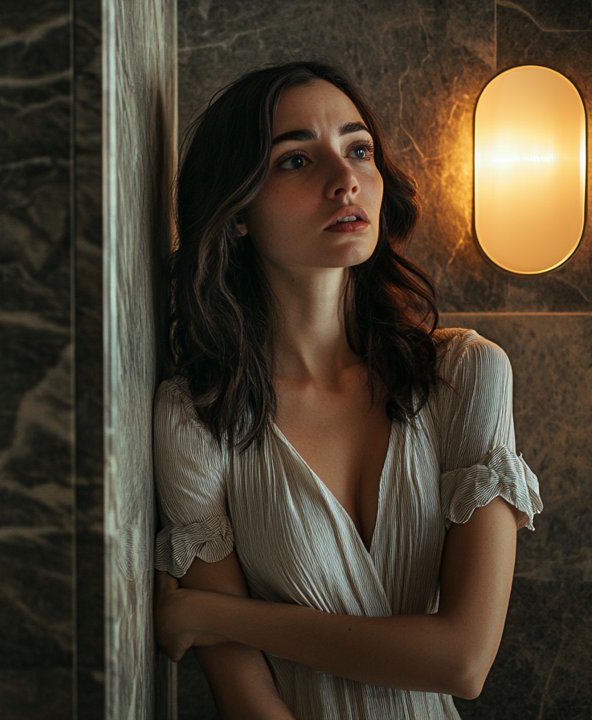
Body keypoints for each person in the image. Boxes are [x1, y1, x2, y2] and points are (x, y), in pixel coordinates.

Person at [152, 61, 543, 719]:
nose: (346, 181)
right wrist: (213, 617)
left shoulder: (466, 377)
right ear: (238, 210)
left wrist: (218, 614)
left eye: (358, 149)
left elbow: (464, 661)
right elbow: (248, 701)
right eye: (296, 162)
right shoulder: (196, 419)